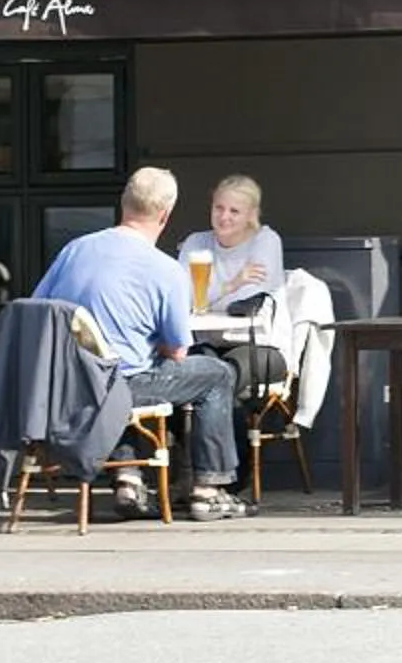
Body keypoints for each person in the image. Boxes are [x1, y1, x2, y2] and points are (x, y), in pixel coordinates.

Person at [32, 166, 252, 521]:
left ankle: (128, 479)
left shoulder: (75, 250)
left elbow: (39, 311)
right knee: (216, 374)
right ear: (166, 214)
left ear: (124, 203)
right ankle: (209, 490)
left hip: (68, 385)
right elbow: (178, 350)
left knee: (113, 368)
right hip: (119, 385)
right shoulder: (165, 269)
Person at [176, 174, 291, 394]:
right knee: (181, 369)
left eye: (234, 211)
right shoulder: (196, 242)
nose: (224, 217)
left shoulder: (265, 240)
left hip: (260, 346)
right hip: (208, 344)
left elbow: (247, 305)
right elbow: (181, 298)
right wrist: (231, 285)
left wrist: (206, 302)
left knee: (221, 375)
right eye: (218, 208)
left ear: (251, 215)